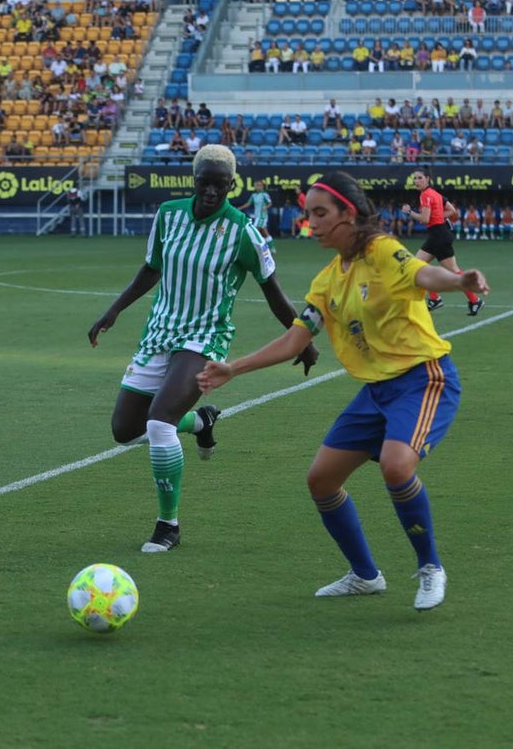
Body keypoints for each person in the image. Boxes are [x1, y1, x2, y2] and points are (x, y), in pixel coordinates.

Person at [196, 171, 490, 611]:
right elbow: (296, 339)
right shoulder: (327, 280)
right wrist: (233, 368)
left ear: (347, 214)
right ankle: (365, 576)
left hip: (424, 378)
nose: (310, 223)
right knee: (321, 480)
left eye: (320, 214)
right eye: (307, 214)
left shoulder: (383, 251)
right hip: (375, 392)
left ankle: (430, 567)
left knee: (395, 466)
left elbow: (425, 276)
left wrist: (460, 282)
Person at [87, 145, 318, 553]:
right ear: (193, 181)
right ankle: (200, 423)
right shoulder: (168, 215)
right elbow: (152, 269)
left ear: (232, 185)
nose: (211, 192)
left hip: (205, 337)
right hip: (160, 331)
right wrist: (113, 310)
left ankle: (168, 526)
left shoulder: (243, 231)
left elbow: (273, 292)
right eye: (204, 183)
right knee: (125, 430)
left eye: (220, 185)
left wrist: (302, 338)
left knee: (158, 422)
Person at [400, 169, 485, 315]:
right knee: (437, 269)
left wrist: (409, 212)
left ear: (427, 179)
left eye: (419, 178)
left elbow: (425, 219)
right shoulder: (436, 194)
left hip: (438, 236)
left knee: (415, 267)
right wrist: (438, 218)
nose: (416, 181)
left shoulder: (425, 195)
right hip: (440, 234)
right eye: (414, 179)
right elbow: (451, 210)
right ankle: (472, 300)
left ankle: (437, 299)